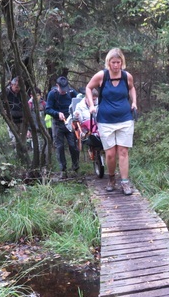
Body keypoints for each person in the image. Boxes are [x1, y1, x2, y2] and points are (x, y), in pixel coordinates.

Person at [85, 48, 137, 195]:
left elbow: (132, 89)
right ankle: (111, 178)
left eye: (118, 62)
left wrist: (134, 103)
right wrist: (91, 106)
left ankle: (125, 183)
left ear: (122, 62)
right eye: (113, 62)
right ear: (108, 62)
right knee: (110, 154)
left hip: (125, 118)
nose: (116, 65)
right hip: (105, 120)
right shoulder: (102, 76)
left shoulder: (127, 76)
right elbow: (88, 88)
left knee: (123, 151)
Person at [45, 76, 79, 178]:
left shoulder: (72, 93)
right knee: (59, 147)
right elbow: (48, 109)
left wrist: (77, 113)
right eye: (62, 89)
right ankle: (63, 170)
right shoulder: (52, 94)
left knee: (73, 145)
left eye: (65, 89)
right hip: (57, 123)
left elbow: (80, 103)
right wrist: (57, 113)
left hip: (70, 122)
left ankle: (75, 167)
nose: (64, 91)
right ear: (57, 86)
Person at [0, 76, 24, 142]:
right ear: (12, 85)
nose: (18, 88)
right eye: (16, 86)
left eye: (19, 86)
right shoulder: (6, 91)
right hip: (10, 118)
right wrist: (2, 110)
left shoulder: (22, 93)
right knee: (14, 136)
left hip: (21, 118)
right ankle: (16, 149)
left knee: (22, 136)